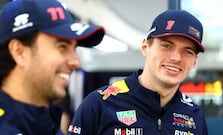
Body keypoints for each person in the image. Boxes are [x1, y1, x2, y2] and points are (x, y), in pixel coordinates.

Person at [68, 10, 208, 135]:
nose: (176, 58)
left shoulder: (194, 115)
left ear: (195, 61)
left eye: (187, 51)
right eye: (166, 45)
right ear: (145, 47)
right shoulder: (99, 104)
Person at [0, 0, 105, 134]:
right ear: (19, 52)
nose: (76, 62)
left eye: (74, 48)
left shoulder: (48, 125)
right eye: (62, 46)